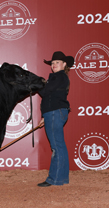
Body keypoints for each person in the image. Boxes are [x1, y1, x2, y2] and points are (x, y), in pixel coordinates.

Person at [37, 51, 74, 187]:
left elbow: (45, 92)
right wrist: (44, 116)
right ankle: (62, 178)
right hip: (55, 113)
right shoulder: (60, 77)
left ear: (64, 64)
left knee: (56, 147)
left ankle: (54, 179)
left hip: (54, 113)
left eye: (57, 62)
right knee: (60, 146)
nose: (54, 65)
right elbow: (49, 97)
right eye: (52, 63)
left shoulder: (58, 77)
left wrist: (38, 84)